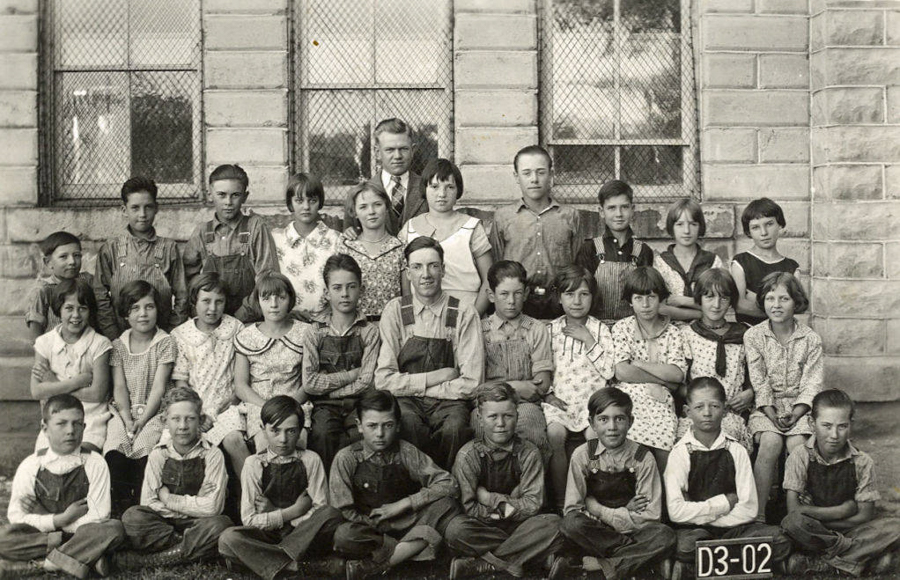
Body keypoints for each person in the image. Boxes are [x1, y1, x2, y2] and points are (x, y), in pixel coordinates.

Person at [375, 236, 484, 469]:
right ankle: (416, 493)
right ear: (408, 272)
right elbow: (383, 380)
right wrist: (436, 377)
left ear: (443, 270)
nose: (426, 274)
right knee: (407, 423)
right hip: (407, 402)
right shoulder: (396, 310)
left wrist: (422, 388)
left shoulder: (463, 311)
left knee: (454, 427)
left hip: (450, 402)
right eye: (417, 267)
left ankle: (449, 490)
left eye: (433, 266)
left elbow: (472, 382)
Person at [665, 378, 791, 578]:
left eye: (714, 406)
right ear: (688, 412)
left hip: (734, 529)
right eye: (699, 407)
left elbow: (749, 509)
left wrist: (707, 516)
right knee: (684, 544)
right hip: (695, 531)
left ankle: (699, 564)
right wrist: (724, 503)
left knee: (780, 538)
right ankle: (730, 558)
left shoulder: (736, 450)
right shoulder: (680, 453)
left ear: (724, 411)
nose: (707, 413)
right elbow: (676, 512)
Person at [329, 390, 460, 580]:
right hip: (369, 529)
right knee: (343, 535)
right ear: (359, 426)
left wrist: (404, 504)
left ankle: (381, 562)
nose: (380, 434)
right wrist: (375, 524)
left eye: (388, 425)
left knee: (448, 506)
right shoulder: (346, 458)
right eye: (372, 426)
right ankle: (406, 552)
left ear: (398, 425)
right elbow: (343, 511)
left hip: (407, 522)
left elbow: (449, 483)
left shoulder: (405, 451)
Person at [552, 387, 675, 580]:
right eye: (603, 419)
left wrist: (599, 510)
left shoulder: (643, 457)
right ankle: (632, 560)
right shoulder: (582, 455)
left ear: (631, 422)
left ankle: (601, 566)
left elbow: (650, 517)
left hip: (630, 531)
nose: (612, 427)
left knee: (664, 535)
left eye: (619, 418)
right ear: (591, 423)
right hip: (597, 532)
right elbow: (572, 509)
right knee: (570, 524)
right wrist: (625, 512)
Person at [218, 396, 344, 580]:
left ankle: (269, 560)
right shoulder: (253, 464)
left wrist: (276, 512)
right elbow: (249, 519)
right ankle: (302, 566)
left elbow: (321, 508)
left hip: (302, 533)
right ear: (263, 429)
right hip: (267, 534)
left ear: (300, 431)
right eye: (275, 431)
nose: (283, 439)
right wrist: (291, 512)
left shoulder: (311, 459)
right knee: (228, 538)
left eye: (291, 431)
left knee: (332, 514)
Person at [445, 382, 562, 579]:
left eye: (508, 416)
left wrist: (490, 498)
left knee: (555, 524)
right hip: (484, 526)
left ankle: (484, 564)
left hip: (521, 524)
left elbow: (533, 505)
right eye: (493, 417)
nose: (501, 423)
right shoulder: (467, 455)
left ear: (517, 416)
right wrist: (507, 507)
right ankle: (531, 555)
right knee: (455, 530)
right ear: (480, 420)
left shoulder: (529, 453)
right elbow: (470, 508)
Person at [0, 395, 125, 579]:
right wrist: (59, 520)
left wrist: (43, 517)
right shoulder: (32, 465)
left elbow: (99, 515)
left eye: (77, 424)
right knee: (4, 539)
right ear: (45, 428)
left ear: (84, 427)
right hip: (49, 537)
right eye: (62, 423)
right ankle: (85, 556)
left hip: (79, 534)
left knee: (113, 529)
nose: (70, 431)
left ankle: (44, 565)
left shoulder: (95, 463)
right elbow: (16, 516)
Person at [781, 389, 900, 576]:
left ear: (851, 425)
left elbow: (865, 515)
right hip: (814, 532)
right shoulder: (800, 456)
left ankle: (823, 561)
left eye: (842, 426)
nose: (834, 435)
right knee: (793, 524)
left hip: (849, 530)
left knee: (896, 526)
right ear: (812, 424)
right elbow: (794, 512)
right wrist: (843, 510)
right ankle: (859, 557)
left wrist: (815, 514)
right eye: (826, 426)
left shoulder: (862, 461)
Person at [118, 387, 232, 568]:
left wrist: (168, 498)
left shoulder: (212, 454)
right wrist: (194, 503)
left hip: (197, 524)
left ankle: (151, 560)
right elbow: (148, 503)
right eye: (176, 419)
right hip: (164, 524)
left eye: (190, 419)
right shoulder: (159, 454)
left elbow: (212, 508)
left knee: (221, 525)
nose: (183, 426)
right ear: (165, 421)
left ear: (200, 420)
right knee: (133, 517)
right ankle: (188, 548)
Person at [216, 271, 310, 478]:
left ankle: (295, 495)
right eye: (266, 298)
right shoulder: (247, 336)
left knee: (298, 440)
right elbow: (241, 385)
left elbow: (308, 382)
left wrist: (288, 407)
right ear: (258, 302)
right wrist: (267, 407)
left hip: (295, 402)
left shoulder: (305, 333)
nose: (274, 304)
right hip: (259, 404)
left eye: (280, 297)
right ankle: (260, 493)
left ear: (290, 299)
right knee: (264, 443)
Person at [746, 272, 822, 521]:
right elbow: (759, 381)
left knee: (797, 445)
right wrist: (772, 412)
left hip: (801, 408)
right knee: (770, 442)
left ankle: (796, 514)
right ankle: (757, 514)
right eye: (770, 298)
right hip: (766, 407)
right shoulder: (754, 336)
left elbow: (812, 383)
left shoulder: (810, 339)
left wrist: (797, 412)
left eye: (784, 298)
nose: (776, 305)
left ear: (796, 301)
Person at [542, 265, 615, 510]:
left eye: (583, 294)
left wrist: (589, 340)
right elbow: (543, 369)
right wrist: (549, 394)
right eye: (569, 294)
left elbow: (609, 371)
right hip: (560, 400)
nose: (577, 301)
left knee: (594, 436)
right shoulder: (550, 330)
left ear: (592, 298)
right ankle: (564, 499)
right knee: (555, 434)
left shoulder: (599, 330)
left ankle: (594, 496)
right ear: (559, 298)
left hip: (591, 401)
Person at [303, 254, 381, 471]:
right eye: (337, 288)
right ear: (327, 293)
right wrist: (351, 374)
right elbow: (309, 383)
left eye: (351, 287)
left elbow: (367, 382)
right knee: (322, 434)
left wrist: (329, 389)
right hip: (325, 407)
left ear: (361, 290)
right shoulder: (315, 332)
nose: (345, 294)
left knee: (362, 434)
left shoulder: (369, 332)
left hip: (361, 403)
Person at [104, 281, 175, 516]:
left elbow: (159, 387)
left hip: (155, 412)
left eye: (149, 307)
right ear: (125, 314)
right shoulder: (118, 345)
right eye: (135, 308)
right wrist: (126, 418)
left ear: (158, 310)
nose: (143, 314)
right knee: (115, 446)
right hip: (123, 411)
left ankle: (138, 511)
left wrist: (142, 420)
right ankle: (118, 509)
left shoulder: (164, 343)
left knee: (145, 447)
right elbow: (120, 386)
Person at [612, 267, 688, 472]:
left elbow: (677, 374)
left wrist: (639, 363)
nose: (645, 305)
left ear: (661, 299)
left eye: (651, 297)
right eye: (638, 298)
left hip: (661, 401)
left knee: (665, 446)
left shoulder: (673, 332)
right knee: (630, 445)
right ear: (630, 300)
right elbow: (622, 372)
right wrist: (664, 379)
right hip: (630, 399)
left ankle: (664, 499)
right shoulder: (622, 328)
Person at [493, 145, 581, 319]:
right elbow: (496, 266)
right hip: (518, 303)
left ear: (551, 174)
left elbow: (577, 264)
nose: (534, 179)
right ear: (516, 177)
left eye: (541, 172)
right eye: (527, 173)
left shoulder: (570, 216)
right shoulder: (503, 217)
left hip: (559, 303)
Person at [93, 176, 188, 339]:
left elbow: (182, 296)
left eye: (148, 207)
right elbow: (100, 296)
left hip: (161, 337)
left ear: (156, 208)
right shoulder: (111, 249)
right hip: (120, 338)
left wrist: (170, 334)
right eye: (135, 208)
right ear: (124, 210)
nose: (142, 214)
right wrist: (114, 336)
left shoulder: (169, 248)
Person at [183, 164, 279, 322]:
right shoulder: (202, 231)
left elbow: (266, 279)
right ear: (210, 194)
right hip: (212, 319)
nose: (228, 202)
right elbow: (189, 280)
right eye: (221, 194)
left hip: (249, 319)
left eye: (235, 195)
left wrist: (242, 315)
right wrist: (201, 311)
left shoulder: (255, 227)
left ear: (245, 197)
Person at [478, 260, 552, 461]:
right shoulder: (479, 331)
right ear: (491, 295)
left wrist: (523, 390)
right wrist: (517, 386)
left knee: (531, 431)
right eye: (504, 294)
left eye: (517, 293)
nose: (511, 300)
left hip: (526, 404)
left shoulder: (536, 329)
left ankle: (533, 489)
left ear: (526, 294)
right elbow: (476, 385)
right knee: (482, 431)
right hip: (488, 404)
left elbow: (542, 383)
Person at [399, 158, 493, 313]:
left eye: (449, 187)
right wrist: (410, 315)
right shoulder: (409, 228)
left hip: (464, 310)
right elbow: (405, 281)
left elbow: (489, 280)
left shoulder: (471, 227)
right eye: (434, 187)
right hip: (422, 314)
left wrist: (473, 316)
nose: (442, 194)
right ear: (424, 188)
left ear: (458, 191)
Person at [31, 277, 112, 454]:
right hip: (56, 417)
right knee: (44, 460)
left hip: (90, 418)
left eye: (82, 308)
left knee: (80, 457)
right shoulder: (45, 342)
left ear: (90, 311)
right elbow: (36, 391)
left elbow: (97, 394)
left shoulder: (100, 344)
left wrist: (53, 384)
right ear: (58, 310)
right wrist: (78, 381)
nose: (76, 315)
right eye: (69, 308)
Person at [675, 269, 753, 453]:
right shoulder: (686, 335)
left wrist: (749, 394)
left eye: (724, 298)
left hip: (732, 414)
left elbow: (757, 377)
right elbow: (679, 385)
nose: (716, 305)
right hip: (698, 413)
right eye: (709, 297)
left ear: (731, 302)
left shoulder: (746, 334)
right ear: (699, 299)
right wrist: (704, 401)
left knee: (727, 443)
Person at [170, 272, 244, 448]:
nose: (212, 308)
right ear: (194, 300)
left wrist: (226, 407)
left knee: (234, 441)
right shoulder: (180, 335)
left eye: (219, 302)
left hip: (229, 407)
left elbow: (242, 377)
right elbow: (181, 382)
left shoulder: (235, 328)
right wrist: (199, 413)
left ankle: (251, 476)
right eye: (206, 301)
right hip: (195, 410)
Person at [575, 180, 654, 324]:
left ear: (633, 209)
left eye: (624, 207)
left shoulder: (643, 251)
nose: (619, 214)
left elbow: (647, 295)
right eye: (611, 208)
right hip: (597, 327)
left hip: (632, 328)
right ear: (601, 211)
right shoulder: (590, 249)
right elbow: (581, 293)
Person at [272, 173, 343, 322]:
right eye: (299, 200)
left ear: (320, 202)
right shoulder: (278, 240)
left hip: (327, 321)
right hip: (287, 320)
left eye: (312, 200)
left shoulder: (335, 240)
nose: (306, 207)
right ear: (290, 204)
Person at [344, 118, 427, 237]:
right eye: (390, 150)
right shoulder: (358, 194)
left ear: (412, 150)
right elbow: (350, 235)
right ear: (377, 153)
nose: (397, 156)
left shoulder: (427, 188)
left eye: (403, 149)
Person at [341, 180, 404, 320]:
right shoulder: (347, 247)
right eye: (363, 207)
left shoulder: (400, 247)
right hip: (356, 327)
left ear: (387, 207)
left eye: (377, 204)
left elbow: (407, 297)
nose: (371, 212)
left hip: (392, 327)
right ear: (354, 212)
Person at [654, 199, 726, 321]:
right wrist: (701, 313)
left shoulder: (713, 261)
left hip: (706, 329)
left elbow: (720, 304)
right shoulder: (660, 263)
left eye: (693, 224)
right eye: (680, 224)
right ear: (671, 227)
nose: (686, 231)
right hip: (670, 330)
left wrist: (684, 301)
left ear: (700, 226)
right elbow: (659, 308)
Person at [731, 198, 799, 326]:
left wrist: (754, 299)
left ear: (780, 224)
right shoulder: (741, 263)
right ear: (748, 232)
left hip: (781, 335)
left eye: (769, 224)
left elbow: (795, 308)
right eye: (756, 227)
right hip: (748, 331)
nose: (764, 233)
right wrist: (780, 307)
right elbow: (740, 306)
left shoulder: (792, 268)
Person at [25, 231, 94, 343]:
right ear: (48, 262)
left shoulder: (89, 281)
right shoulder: (43, 290)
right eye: (63, 257)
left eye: (76, 255)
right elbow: (36, 336)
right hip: (57, 352)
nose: (72, 262)